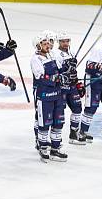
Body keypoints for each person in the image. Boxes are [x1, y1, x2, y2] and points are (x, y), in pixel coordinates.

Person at [31, 33, 68, 162]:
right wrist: (54, 78)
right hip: (45, 95)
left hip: (57, 95)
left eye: (48, 43)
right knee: (45, 124)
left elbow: (60, 69)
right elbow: (39, 77)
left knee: (58, 123)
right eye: (45, 44)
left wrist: (68, 67)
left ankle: (55, 150)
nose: (48, 46)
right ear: (38, 45)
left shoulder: (53, 55)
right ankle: (43, 148)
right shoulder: (36, 59)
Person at [54, 31, 86, 143]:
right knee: (59, 112)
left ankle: (73, 133)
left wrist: (77, 83)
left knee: (77, 108)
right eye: (63, 41)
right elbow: (57, 72)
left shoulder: (72, 53)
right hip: (61, 88)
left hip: (72, 87)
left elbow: (74, 72)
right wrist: (66, 68)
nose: (65, 43)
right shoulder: (55, 54)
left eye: (67, 41)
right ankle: (56, 138)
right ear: (59, 42)